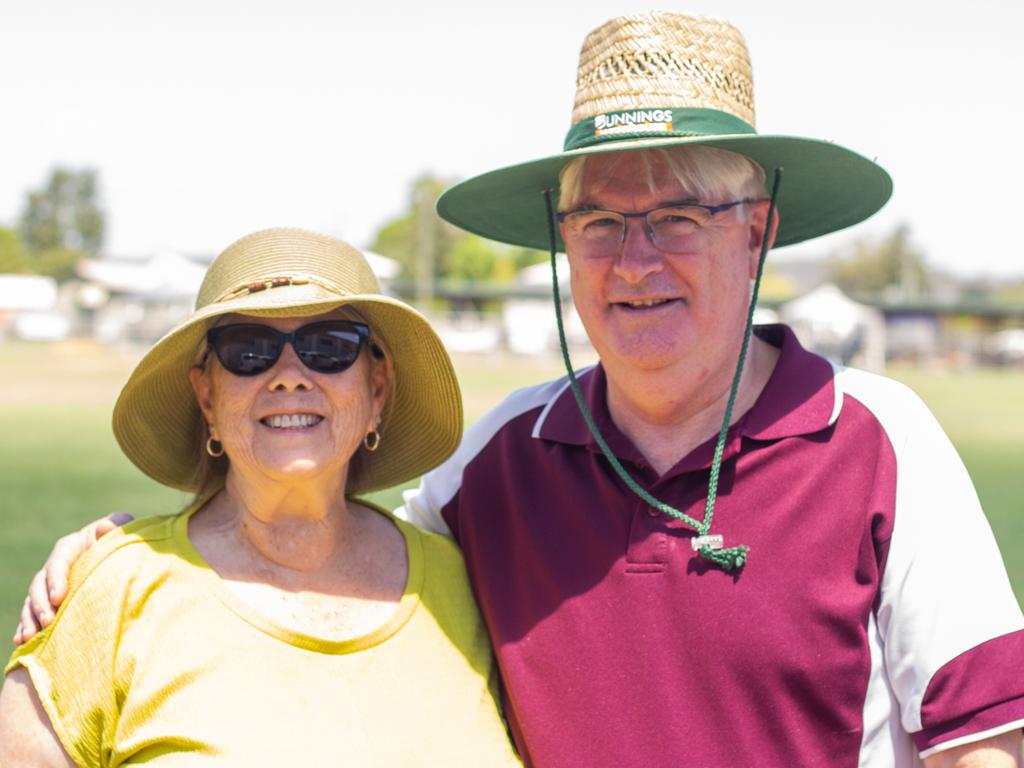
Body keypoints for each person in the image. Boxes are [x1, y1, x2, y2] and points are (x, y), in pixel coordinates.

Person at [12, 12, 1024, 768]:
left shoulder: (881, 438)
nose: (634, 261)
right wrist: (119, 562)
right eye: (598, 221)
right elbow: (325, 554)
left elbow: (978, 743)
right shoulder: (489, 465)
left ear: (753, 231)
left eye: (677, 216)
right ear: (560, 242)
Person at [0, 228, 520, 765]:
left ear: (377, 389)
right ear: (207, 395)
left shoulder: (465, 585)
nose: (290, 377)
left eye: (329, 346)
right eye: (250, 350)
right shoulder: (114, 591)